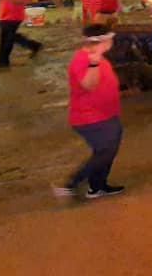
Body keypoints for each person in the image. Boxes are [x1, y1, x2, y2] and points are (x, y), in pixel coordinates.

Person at [53, 25, 124, 199]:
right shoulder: (83, 60)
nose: (111, 42)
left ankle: (97, 187)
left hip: (106, 114)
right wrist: (94, 62)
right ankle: (71, 183)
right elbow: (88, 85)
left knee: (108, 150)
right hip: (91, 118)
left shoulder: (99, 59)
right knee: (105, 151)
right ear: (100, 42)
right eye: (109, 39)